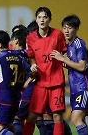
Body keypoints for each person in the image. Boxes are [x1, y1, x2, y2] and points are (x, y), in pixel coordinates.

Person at [25, 7, 67, 135]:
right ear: (36, 20)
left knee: (57, 116)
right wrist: (33, 65)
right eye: (39, 17)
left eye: (45, 17)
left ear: (49, 19)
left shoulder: (58, 35)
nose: (42, 20)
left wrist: (63, 59)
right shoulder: (30, 38)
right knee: (32, 116)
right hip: (40, 82)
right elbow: (31, 57)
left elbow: (64, 53)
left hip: (56, 81)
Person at [51, 14, 88, 135]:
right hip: (75, 88)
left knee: (76, 118)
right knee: (81, 120)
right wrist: (64, 61)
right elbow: (73, 65)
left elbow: (82, 66)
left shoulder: (79, 44)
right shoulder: (68, 46)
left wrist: (63, 59)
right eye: (64, 27)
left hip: (83, 87)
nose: (66, 30)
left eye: (70, 27)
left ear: (76, 29)